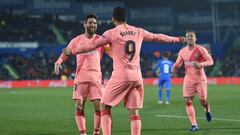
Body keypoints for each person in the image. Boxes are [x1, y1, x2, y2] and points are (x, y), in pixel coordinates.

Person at [62, 7, 185, 135]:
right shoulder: (138, 31)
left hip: (121, 76)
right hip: (137, 77)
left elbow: (91, 45)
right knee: (134, 113)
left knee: (104, 106)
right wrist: (178, 39)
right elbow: (157, 37)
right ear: (126, 18)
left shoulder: (111, 33)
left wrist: (73, 50)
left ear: (113, 19)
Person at [54, 14, 110, 135]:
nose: (92, 25)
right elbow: (66, 52)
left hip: (96, 78)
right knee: (79, 107)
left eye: (94, 23)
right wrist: (58, 61)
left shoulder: (101, 40)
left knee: (98, 107)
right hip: (80, 78)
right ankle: (83, 133)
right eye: (90, 22)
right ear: (84, 24)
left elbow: (112, 52)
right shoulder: (76, 40)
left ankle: (96, 132)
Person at [171, 30, 214, 131]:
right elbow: (178, 63)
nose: (189, 38)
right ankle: (194, 125)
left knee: (203, 101)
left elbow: (210, 61)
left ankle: (207, 110)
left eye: (191, 36)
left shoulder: (201, 49)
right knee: (188, 100)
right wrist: (174, 67)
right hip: (188, 79)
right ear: (185, 39)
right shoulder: (182, 51)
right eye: (187, 36)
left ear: (195, 38)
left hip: (200, 79)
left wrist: (201, 64)